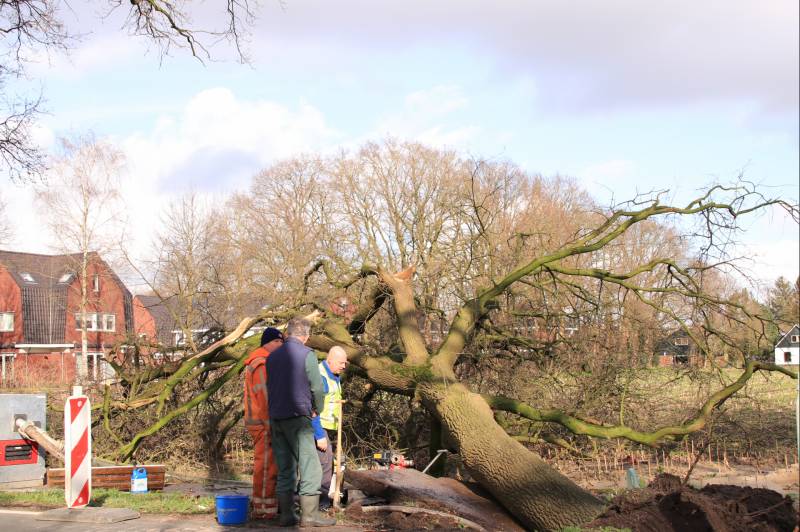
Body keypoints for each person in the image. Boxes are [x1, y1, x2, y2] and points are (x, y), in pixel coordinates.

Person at [266, 317, 335, 527]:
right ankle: (310, 516)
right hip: (298, 418)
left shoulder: (272, 357)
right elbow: (316, 388)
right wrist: (318, 409)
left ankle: (286, 515)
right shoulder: (307, 355)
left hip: (276, 418)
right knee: (311, 467)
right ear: (305, 336)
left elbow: (270, 386)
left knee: (285, 467)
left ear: (287, 334)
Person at [243, 327, 284, 519]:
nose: (281, 346)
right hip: (263, 423)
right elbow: (265, 398)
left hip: (260, 422)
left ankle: (264, 507)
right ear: (270, 343)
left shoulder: (260, 361)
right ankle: (264, 511)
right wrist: (272, 426)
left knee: (266, 466)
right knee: (266, 467)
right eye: (279, 342)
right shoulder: (262, 364)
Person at [313, 345, 348, 510]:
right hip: (318, 426)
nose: (344, 366)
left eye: (345, 363)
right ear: (331, 360)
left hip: (327, 426)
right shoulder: (321, 377)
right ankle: (322, 503)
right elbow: (312, 408)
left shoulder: (333, 375)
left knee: (326, 462)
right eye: (341, 363)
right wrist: (319, 434)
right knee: (325, 463)